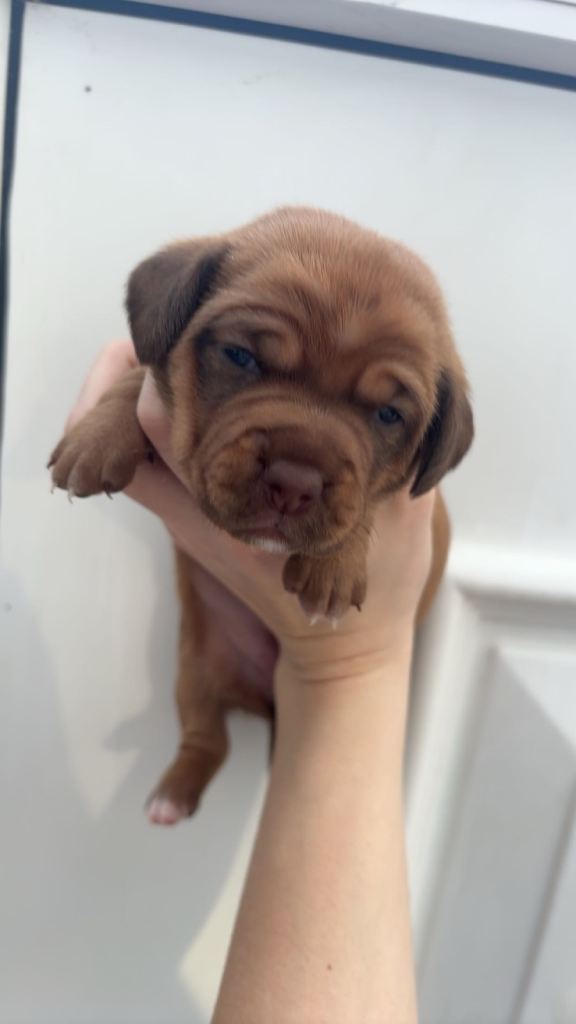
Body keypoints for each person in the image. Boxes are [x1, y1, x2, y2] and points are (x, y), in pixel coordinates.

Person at [67, 339, 434, 1024]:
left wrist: (345, 560)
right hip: (228, 638)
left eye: (382, 410)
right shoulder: (184, 348)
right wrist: (119, 409)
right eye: (246, 358)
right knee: (200, 682)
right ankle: (199, 755)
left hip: (341, 654)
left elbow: (399, 499)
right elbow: (149, 382)